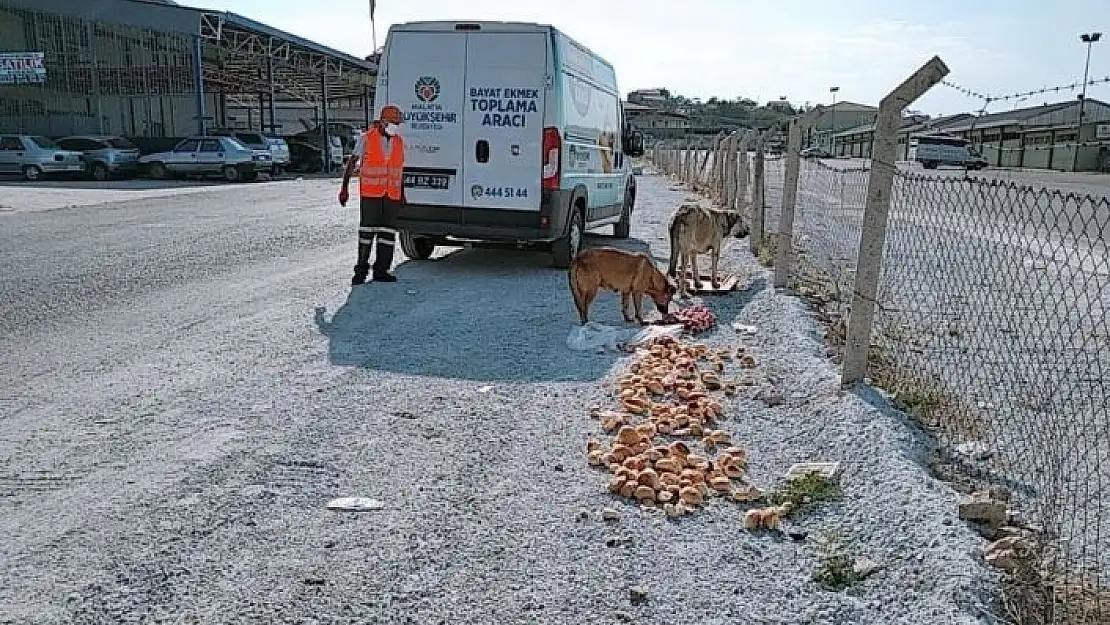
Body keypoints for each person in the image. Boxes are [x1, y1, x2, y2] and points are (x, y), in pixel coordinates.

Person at [339, 104, 406, 285]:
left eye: (398, 123)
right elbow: (352, 163)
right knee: (366, 234)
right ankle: (360, 272)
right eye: (393, 123)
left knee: (387, 235)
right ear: (383, 122)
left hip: (391, 196)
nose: (396, 126)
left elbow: (399, 170)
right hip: (371, 194)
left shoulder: (399, 142)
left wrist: (402, 195)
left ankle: (381, 271)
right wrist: (344, 189)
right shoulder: (367, 138)